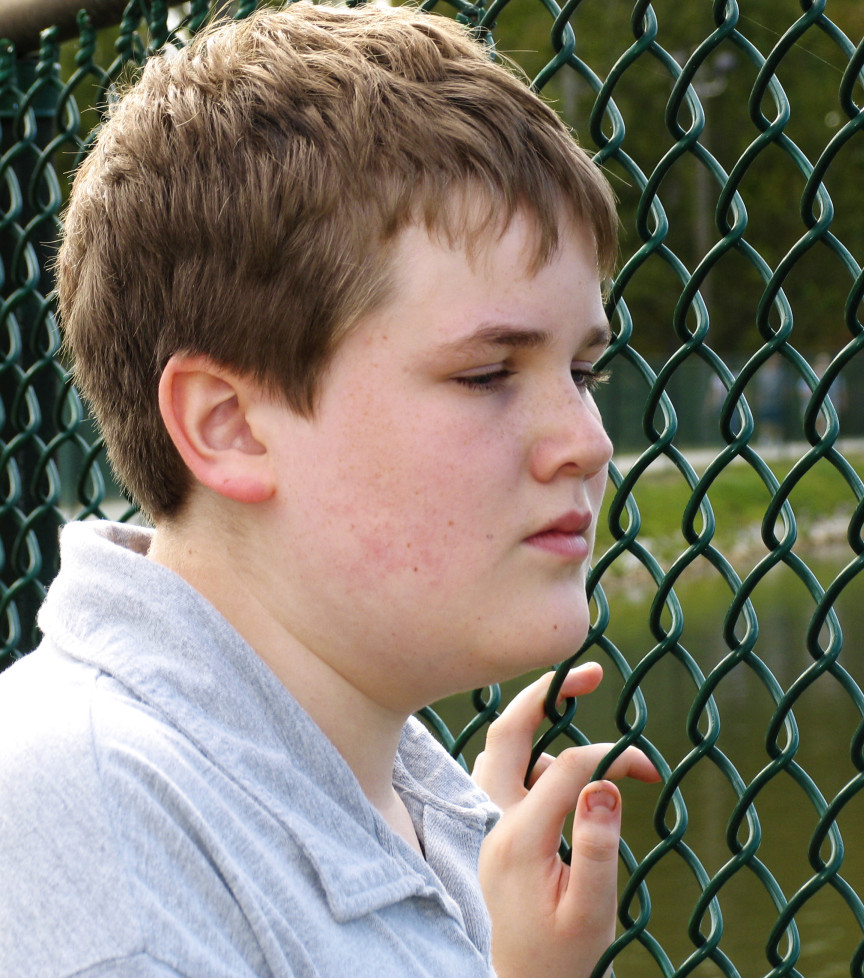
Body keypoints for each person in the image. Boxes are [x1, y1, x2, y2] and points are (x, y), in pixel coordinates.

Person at [0, 3, 658, 977]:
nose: (588, 442)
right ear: (228, 425)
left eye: (584, 371)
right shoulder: (101, 864)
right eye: (487, 375)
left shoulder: (396, 790)